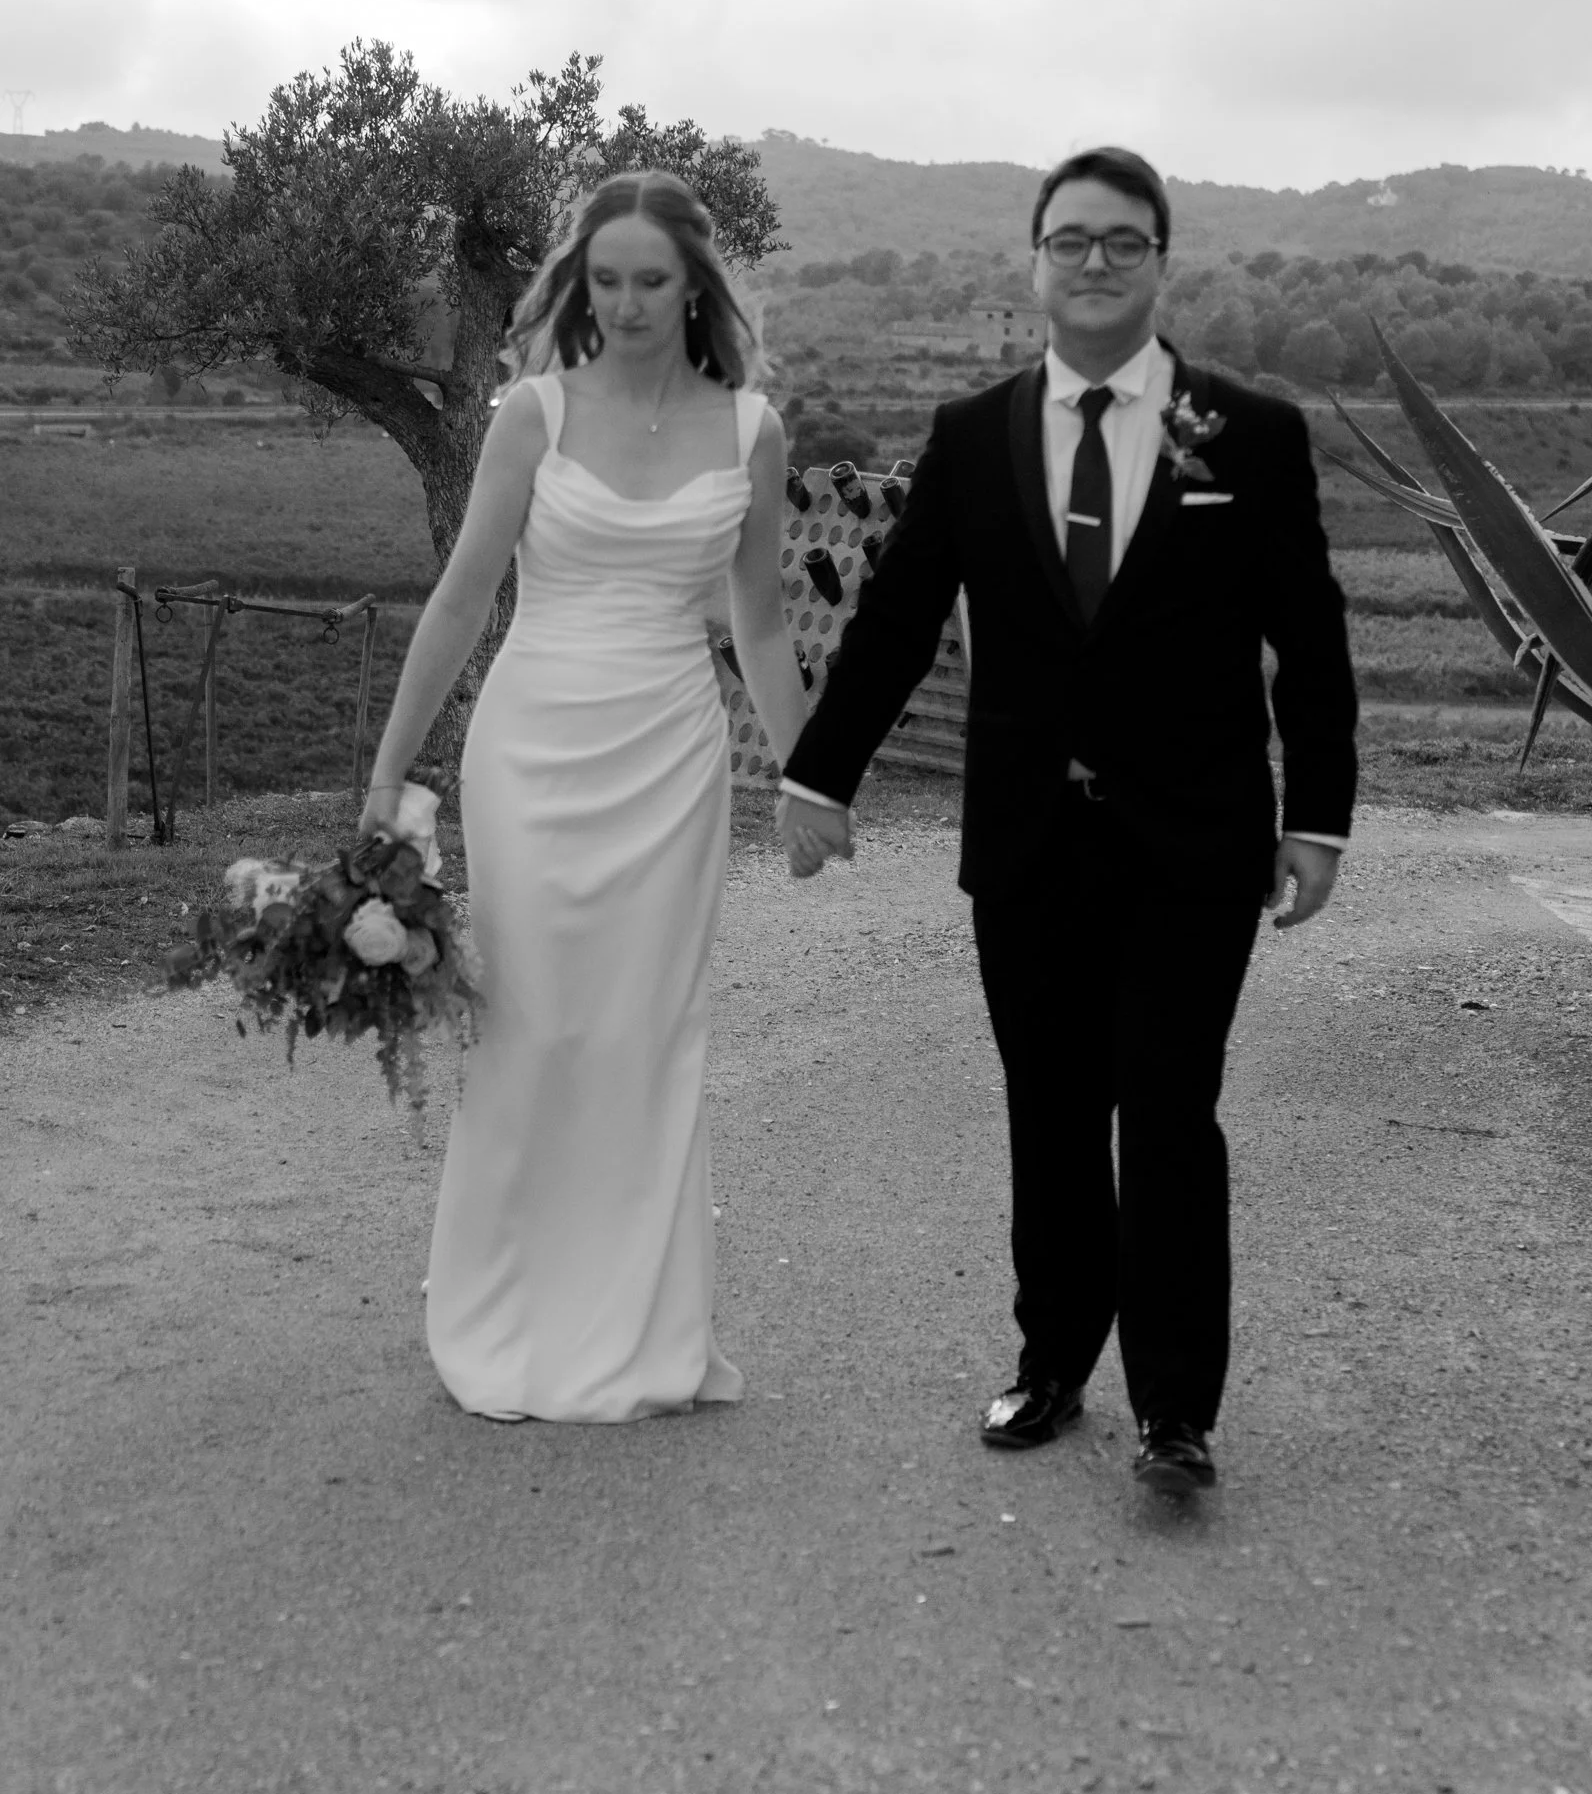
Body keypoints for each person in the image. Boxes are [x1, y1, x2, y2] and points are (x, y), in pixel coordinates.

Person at [777, 147, 1357, 1494]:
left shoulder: (1247, 436)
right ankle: (1050, 1363)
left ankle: (1171, 1410)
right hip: (1028, 836)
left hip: (1195, 840)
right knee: (1045, 1108)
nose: (1093, 264)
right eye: (1069, 241)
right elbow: (898, 615)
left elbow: (1308, 642)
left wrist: (1316, 817)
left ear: (1159, 263)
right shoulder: (970, 434)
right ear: (1032, 261)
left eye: (1121, 243)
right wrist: (822, 771)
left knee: (1164, 1107)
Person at [362, 171, 810, 1423]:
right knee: (534, 1025)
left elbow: (761, 621)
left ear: (696, 286)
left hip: (671, 752)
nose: (624, 303)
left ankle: (642, 1331)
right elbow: (461, 596)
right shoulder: (533, 414)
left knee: (646, 1032)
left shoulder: (751, 431)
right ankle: (501, 1308)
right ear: (579, 282)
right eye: (604, 279)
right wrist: (391, 767)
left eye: (650, 281)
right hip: (534, 745)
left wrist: (811, 774)